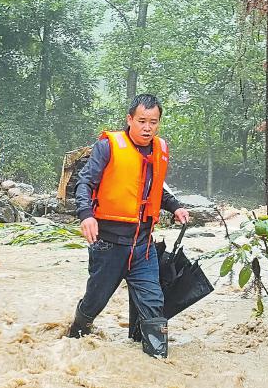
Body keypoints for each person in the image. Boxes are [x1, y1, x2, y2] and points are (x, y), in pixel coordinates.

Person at [66, 94, 190, 358]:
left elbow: (155, 190)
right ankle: (74, 336)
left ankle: (157, 362)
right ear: (130, 119)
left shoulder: (159, 150)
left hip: (143, 245)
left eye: (153, 122)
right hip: (108, 244)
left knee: (153, 302)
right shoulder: (108, 147)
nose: (147, 128)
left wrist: (175, 206)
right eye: (142, 121)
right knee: (94, 302)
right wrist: (86, 214)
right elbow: (84, 182)